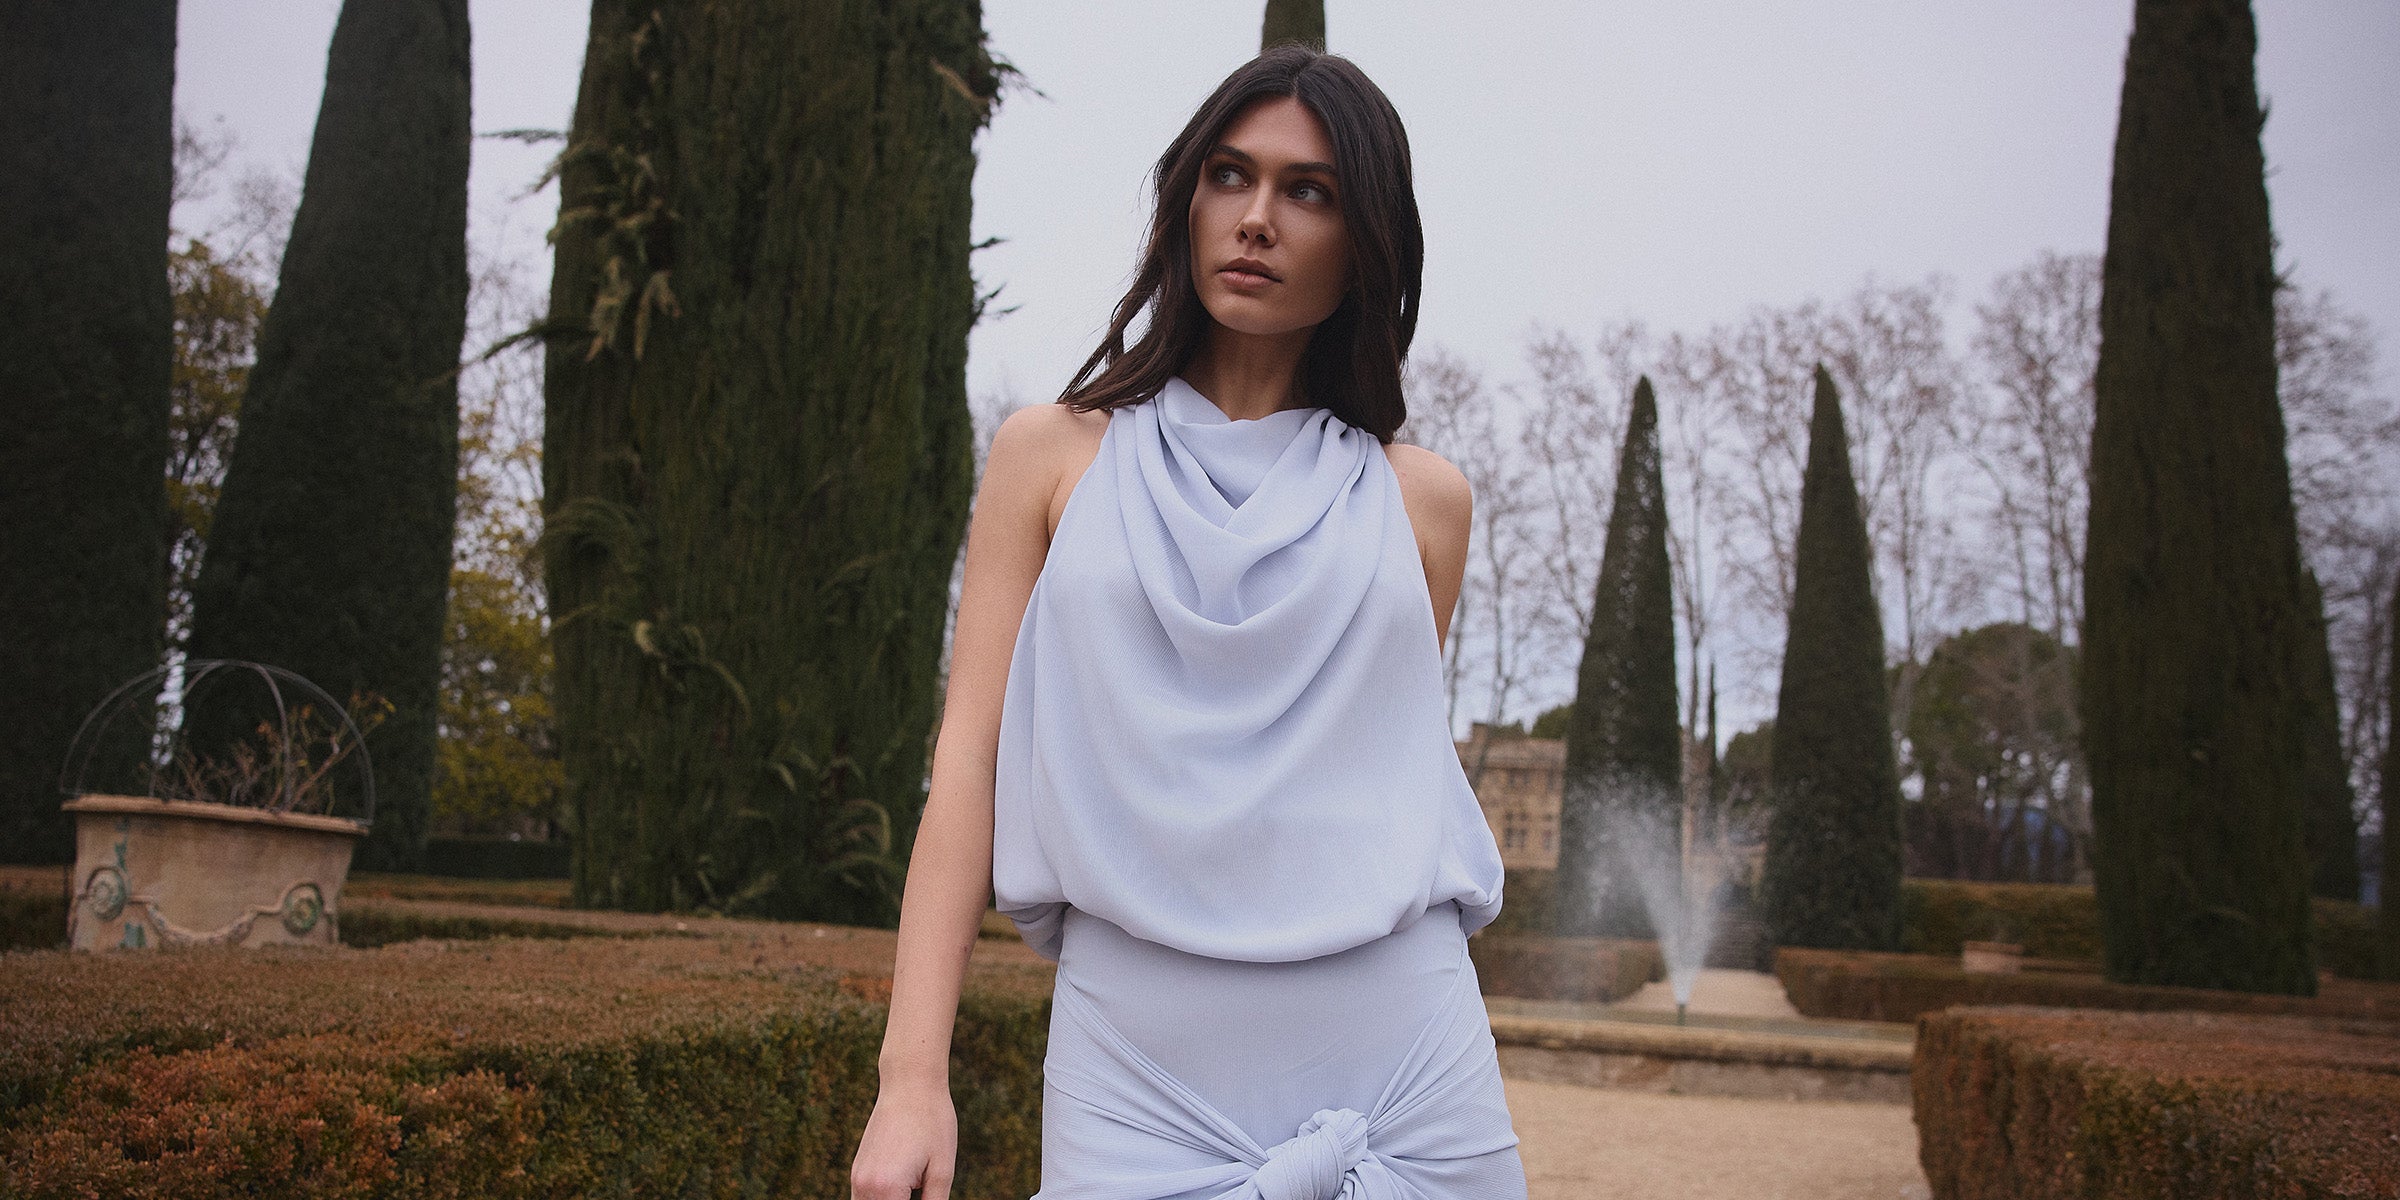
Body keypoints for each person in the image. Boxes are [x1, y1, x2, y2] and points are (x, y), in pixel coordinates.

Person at [851, 45, 1523, 1200]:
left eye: (1308, 191)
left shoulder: (1424, 505)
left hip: (1407, 1076)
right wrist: (911, 1080)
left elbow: (1372, 787)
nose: (1257, 217)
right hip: (1134, 1075)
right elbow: (967, 760)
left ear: (1365, 243)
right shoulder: (1047, 457)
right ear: (1186, 202)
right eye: (1230, 175)